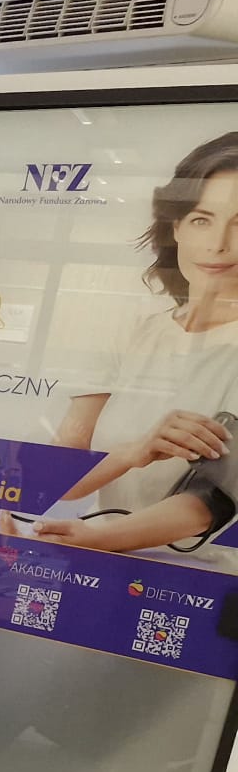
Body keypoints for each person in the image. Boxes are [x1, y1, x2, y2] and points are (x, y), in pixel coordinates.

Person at [39, 132, 238, 562]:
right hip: (90, 557)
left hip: (194, 581)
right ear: (176, 227)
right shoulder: (131, 332)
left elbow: (208, 502)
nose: (219, 243)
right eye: (202, 219)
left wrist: (93, 538)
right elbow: (57, 475)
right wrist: (131, 453)